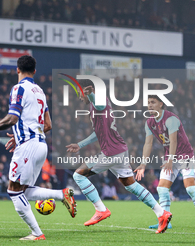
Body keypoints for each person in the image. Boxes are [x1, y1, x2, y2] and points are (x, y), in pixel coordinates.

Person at [0, 55, 76, 241]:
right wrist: (19, 134)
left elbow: (12, 118)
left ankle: (37, 233)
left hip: (29, 145)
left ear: (17, 70)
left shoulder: (18, 88)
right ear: (35, 71)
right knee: (23, 190)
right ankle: (61, 194)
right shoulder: (40, 92)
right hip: (40, 145)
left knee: (13, 190)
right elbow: (48, 124)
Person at [66, 80, 172, 234]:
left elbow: (100, 105)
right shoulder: (96, 104)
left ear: (88, 90)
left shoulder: (99, 101)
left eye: (79, 91)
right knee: (130, 185)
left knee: (79, 175)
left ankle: (100, 210)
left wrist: (92, 95)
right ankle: (161, 213)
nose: (78, 95)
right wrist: (80, 145)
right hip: (120, 149)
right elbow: (99, 132)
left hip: (111, 152)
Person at [135, 95, 195, 230]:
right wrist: (143, 163)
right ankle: (165, 221)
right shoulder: (149, 122)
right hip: (170, 157)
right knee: (162, 188)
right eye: (148, 103)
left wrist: (171, 159)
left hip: (185, 156)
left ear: (161, 104)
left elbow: (174, 141)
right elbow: (148, 144)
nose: (150, 105)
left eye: (153, 102)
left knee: (190, 188)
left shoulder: (171, 119)